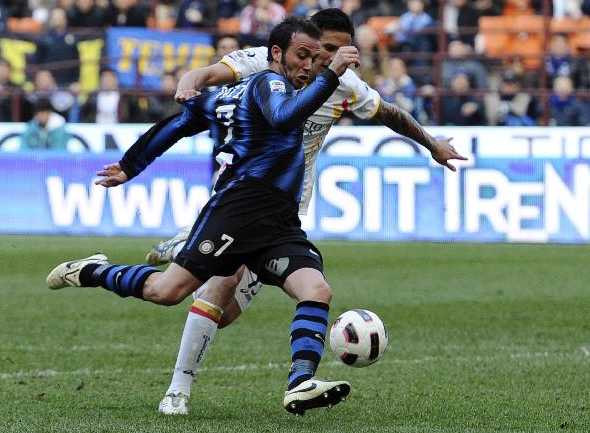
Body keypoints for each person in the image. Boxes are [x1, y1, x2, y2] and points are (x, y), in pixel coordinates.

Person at [157, 8, 467, 416]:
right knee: (222, 282)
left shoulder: (346, 85)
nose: (331, 57)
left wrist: (432, 144)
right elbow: (211, 74)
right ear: (303, 45)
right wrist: (190, 81)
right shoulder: (261, 63)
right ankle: (177, 392)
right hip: (241, 197)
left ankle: (186, 249)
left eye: (341, 50)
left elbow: (389, 113)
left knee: (223, 313)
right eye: (324, 48)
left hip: (287, 211)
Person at [46, 16, 362, 416]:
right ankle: (90, 271)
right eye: (303, 56)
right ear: (277, 53)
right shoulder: (270, 84)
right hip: (237, 211)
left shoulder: (229, 95)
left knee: (316, 290)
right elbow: (284, 117)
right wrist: (331, 75)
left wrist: (131, 166)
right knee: (166, 292)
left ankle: (300, 383)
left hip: (279, 220)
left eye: (315, 59)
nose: (308, 65)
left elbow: (178, 124)